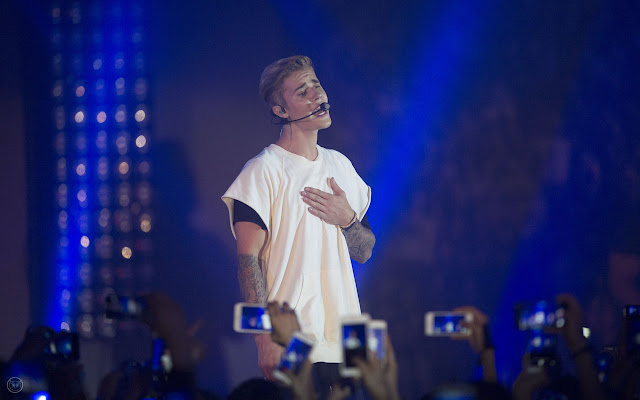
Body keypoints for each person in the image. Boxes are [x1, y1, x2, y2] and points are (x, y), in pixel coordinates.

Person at [222, 55, 376, 391]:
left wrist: (348, 220)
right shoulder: (262, 171)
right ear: (280, 110)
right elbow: (248, 261)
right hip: (294, 340)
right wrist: (264, 338)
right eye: (302, 92)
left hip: (347, 342)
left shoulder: (341, 166)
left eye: (316, 85)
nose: (316, 95)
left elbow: (365, 251)